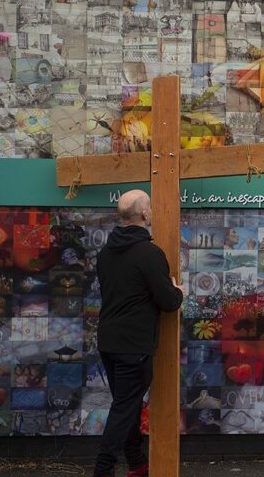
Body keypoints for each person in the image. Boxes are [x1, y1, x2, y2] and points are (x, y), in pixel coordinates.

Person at [93, 190, 185, 477]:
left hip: (109, 341)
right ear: (145, 215)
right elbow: (168, 301)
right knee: (124, 408)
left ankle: (136, 463)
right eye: (150, 208)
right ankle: (103, 469)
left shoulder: (106, 253)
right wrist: (178, 292)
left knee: (126, 405)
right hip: (134, 345)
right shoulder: (150, 253)